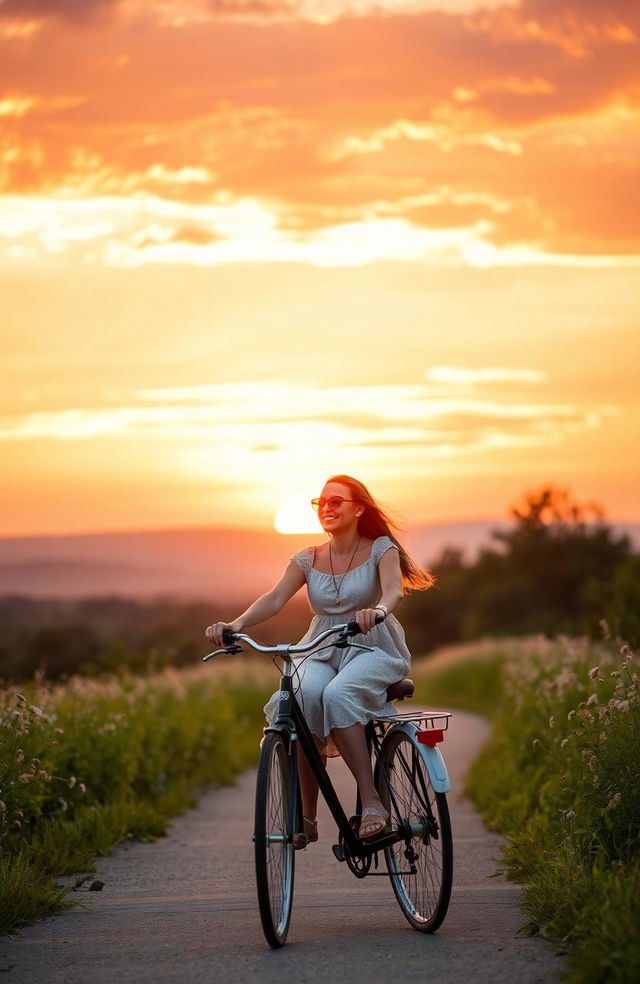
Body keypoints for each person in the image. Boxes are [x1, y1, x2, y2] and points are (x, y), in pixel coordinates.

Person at [205, 474, 434, 846]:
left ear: (359, 508)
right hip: (321, 645)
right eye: (321, 502)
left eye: (335, 501)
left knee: (338, 695)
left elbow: (394, 591)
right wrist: (237, 623)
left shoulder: (381, 548)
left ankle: (373, 803)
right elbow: (275, 598)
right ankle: (306, 817)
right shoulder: (307, 558)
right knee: (302, 696)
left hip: (371, 644)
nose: (326, 508)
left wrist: (376, 610)